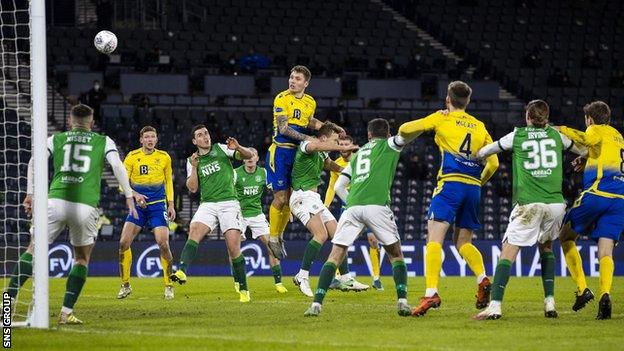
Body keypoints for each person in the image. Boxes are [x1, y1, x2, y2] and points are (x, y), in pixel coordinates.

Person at [6, 104, 136, 324]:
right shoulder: (104, 141)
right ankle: (66, 313)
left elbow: (33, 162)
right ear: (92, 122)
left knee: (34, 249)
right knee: (81, 258)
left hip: (54, 201)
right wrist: (129, 196)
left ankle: (6, 305)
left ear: (69, 121)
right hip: (85, 206)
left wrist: (30, 194)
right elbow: (117, 166)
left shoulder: (56, 138)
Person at [471, 100, 586, 320]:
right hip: (555, 204)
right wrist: (581, 159)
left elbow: (486, 151)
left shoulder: (517, 135)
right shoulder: (557, 136)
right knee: (546, 247)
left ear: (527, 117)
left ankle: (494, 305)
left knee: (508, 251)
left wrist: (475, 155)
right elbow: (584, 149)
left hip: (529, 204)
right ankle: (550, 304)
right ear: (546, 116)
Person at [398, 81, 499, 317]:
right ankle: (483, 278)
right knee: (464, 242)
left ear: (448, 100)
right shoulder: (479, 125)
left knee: (434, 237)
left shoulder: (442, 118)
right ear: (468, 101)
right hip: (473, 188)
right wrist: (478, 182)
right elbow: (493, 162)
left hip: (450, 183)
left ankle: (431, 291)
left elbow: (404, 129)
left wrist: (433, 119)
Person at [304, 118, 412, 317]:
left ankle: (316, 304)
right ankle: (402, 302)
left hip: (352, 207)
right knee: (395, 254)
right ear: (387, 134)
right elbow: (408, 133)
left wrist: (352, 201)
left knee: (335, 255)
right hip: (377, 205)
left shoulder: (358, 154)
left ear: (369, 135)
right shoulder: (389, 144)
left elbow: (338, 187)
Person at [169, 125, 254, 303]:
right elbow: (192, 188)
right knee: (193, 230)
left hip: (229, 202)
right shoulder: (191, 160)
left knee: (233, 248)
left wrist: (237, 147)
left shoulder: (221, 149)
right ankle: (182, 271)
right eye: (200, 135)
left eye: (206, 133)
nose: (205, 137)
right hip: (207, 204)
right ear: (194, 141)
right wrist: (194, 167)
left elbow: (249, 156)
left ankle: (244, 288)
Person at [266, 65, 344, 259]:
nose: (292, 81)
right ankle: (273, 237)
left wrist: (331, 129)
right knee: (282, 197)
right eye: (291, 77)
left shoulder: (310, 101)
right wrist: (308, 139)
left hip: (296, 154)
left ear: (306, 83)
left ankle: (280, 236)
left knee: (289, 201)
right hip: (281, 153)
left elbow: (310, 122)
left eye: (297, 78)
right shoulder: (282, 98)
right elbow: (284, 129)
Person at [556, 101, 624, 319]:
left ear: (590, 119)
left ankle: (582, 288)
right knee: (606, 251)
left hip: (597, 194)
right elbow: (604, 156)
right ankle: (605, 294)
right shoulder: (618, 136)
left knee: (566, 236)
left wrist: (562, 129)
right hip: (620, 199)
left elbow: (587, 139)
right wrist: (585, 160)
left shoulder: (595, 129)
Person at [290, 123, 368, 297]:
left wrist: (345, 171)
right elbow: (316, 145)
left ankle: (346, 277)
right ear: (324, 138)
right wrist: (344, 145)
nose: (337, 144)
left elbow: (329, 164)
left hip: (314, 199)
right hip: (302, 196)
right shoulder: (308, 144)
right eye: (334, 140)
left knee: (340, 234)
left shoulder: (322, 153)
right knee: (321, 235)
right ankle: (302, 275)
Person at [117, 126, 176, 300]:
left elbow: (168, 183)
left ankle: (168, 285)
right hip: (138, 207)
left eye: (153, 137)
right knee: (123, 243)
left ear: (156, 139)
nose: (150, 140)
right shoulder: (132, 157)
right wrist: (134, 195)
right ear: (141, 140)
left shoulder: (164, 157)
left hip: (158, 206)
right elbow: (122, 183)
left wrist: (171, 204)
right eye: (147, 137)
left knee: (163, 243)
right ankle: (125, 285)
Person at [324, 135, 384, 290]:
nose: (344, 147)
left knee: (373, 240)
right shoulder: (336, 164)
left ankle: (376, 278)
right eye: (341, 144)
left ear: (351, 145)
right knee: (342, 241)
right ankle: (338, 277)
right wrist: (326, 205)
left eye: (346, 144)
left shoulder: (360, 159)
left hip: (366, 202)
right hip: (347, 205)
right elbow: (332, 186)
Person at [233, 148, 287, 293]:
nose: (250, 158)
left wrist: (286, 208)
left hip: (257, 214)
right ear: (243, 158)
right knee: (234, 249)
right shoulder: (235, 173)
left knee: (272, 245)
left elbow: (276, 192)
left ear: (257, 158)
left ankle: (278, 283)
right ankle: (238, 281)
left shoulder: (263, 173)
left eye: (253, 155)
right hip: (239, 214)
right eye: (247, 155)